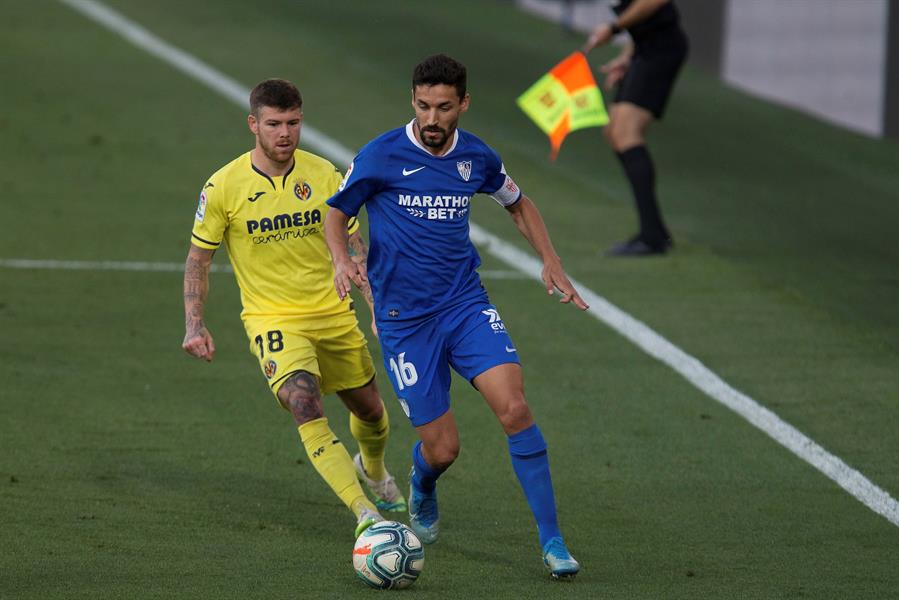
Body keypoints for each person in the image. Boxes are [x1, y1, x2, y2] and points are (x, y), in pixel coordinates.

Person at [324, 54, 588, 579]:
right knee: (443, 450)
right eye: (423, 106)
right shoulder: (382, 155)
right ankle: (423, 483)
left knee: (514, 409)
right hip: (404, 322)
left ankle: (553, 542)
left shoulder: (477, 157)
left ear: (463, 104)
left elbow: (518, 202)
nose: (432, 118)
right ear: (413, 102)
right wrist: (341, 258)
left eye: (444, 107)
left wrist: (550, 259)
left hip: (464, 305)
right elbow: (337, 213)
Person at [181, 78, 405, 538]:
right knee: (303, 401)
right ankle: (365, 513)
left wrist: (375, 306)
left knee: (371, 411)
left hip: (333, 313)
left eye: (293, 123)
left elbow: (356, 246)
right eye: (274, 124)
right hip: (274, 319)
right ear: (253, 125)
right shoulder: (223, 186)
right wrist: (195, 323)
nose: (285, 133)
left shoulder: (324, 175)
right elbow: (198, 260)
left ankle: (375, 470)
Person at [582, 0, 688, 256]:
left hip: (662, 51)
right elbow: (642, 23)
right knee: (614, 132)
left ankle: (652, 236)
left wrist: (614, 27)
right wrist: (627, 57)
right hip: (646, 49)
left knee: (625, 133)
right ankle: (655, 231)